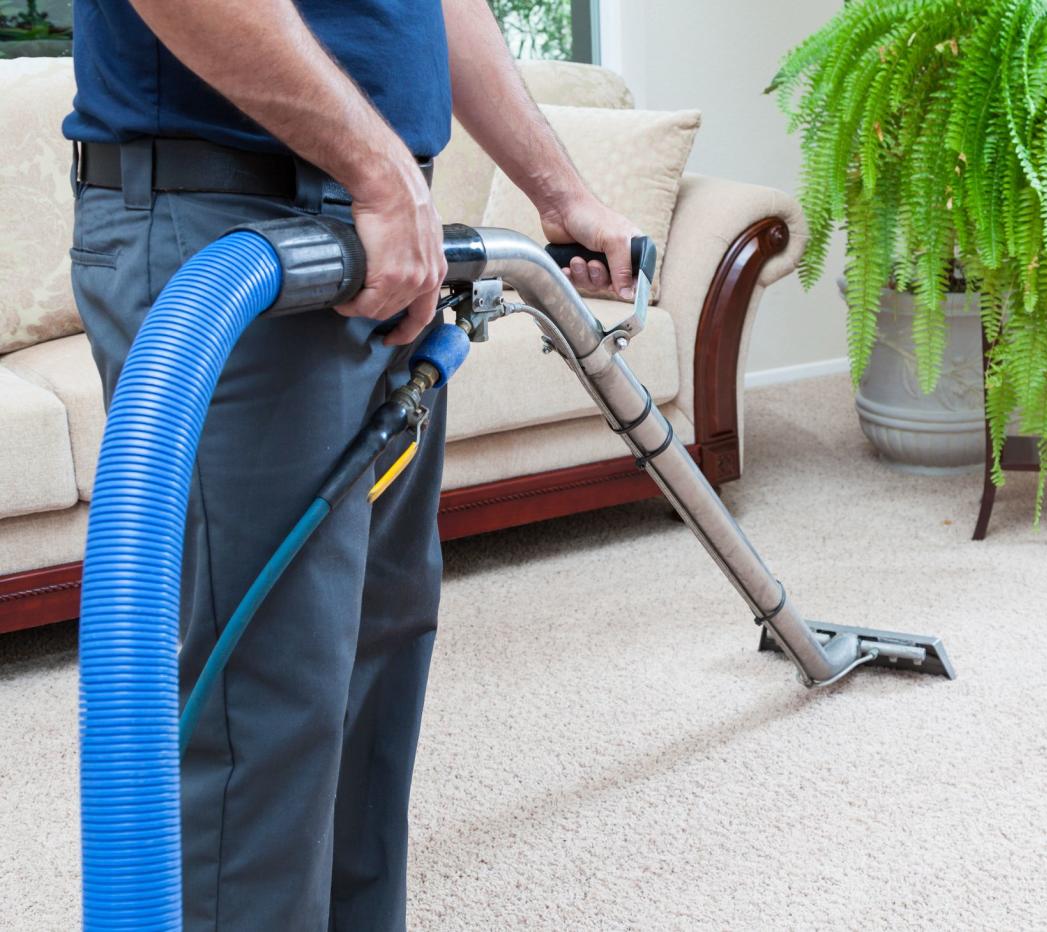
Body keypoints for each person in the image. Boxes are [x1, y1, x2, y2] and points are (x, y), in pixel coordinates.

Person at [64, 1, 639, 928]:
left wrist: (555, 187)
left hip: (380, 242)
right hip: (234, 223)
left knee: (377, 650)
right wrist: (378, 171)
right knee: (268, 705)